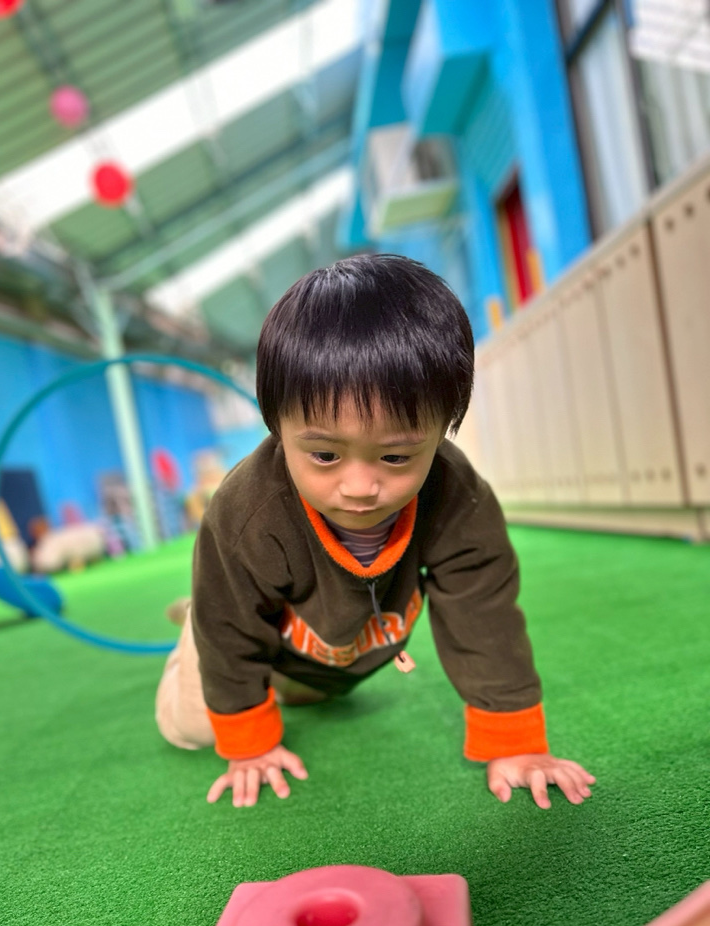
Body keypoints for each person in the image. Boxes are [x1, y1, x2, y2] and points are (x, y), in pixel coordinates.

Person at [156, 253, 596, 810]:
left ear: (442, 428)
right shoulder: (247, 512)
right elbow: (230, 626)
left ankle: (270, 656)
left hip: (332, 651)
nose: (360, 488)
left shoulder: (457, 496)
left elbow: (482, 611)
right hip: (240, 621)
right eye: (324, 455)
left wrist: (515, 742)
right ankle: (193, 621)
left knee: (312, 694)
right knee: (195, 725)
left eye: (395, 457)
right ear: (277, 427)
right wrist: (249, 745)